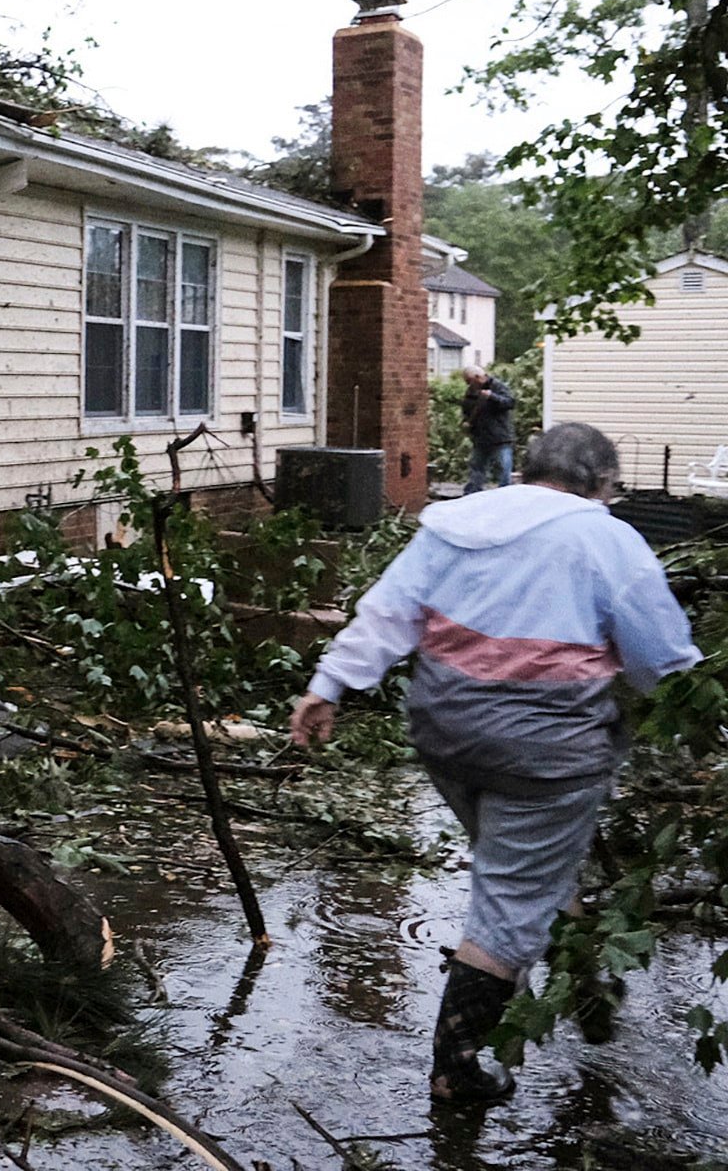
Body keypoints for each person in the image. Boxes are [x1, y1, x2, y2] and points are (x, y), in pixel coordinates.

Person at [289, 423, 695, 1105]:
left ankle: (580, 976)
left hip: (445, 735)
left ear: (527, 469)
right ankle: (460, 1068)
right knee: (509, 899)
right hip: (543, 754)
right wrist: (698, 722)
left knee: (524, 866)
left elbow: (388, 614)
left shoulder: (458, 522)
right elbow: (663, 662)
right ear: (601, 484)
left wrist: (327, 685)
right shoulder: (608, 540)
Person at [460, 367, 515, 493]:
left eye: (469, 381)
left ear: (477, 377)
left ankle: (504, 492)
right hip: (480, 436)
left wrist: (492, 397)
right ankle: (472, 492)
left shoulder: (498, 386)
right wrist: (466, 421)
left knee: (504, 467)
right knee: (477, 466)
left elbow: (510, 403)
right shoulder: (471, 391)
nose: (468, 384)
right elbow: (466, 407)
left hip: (500, 436)